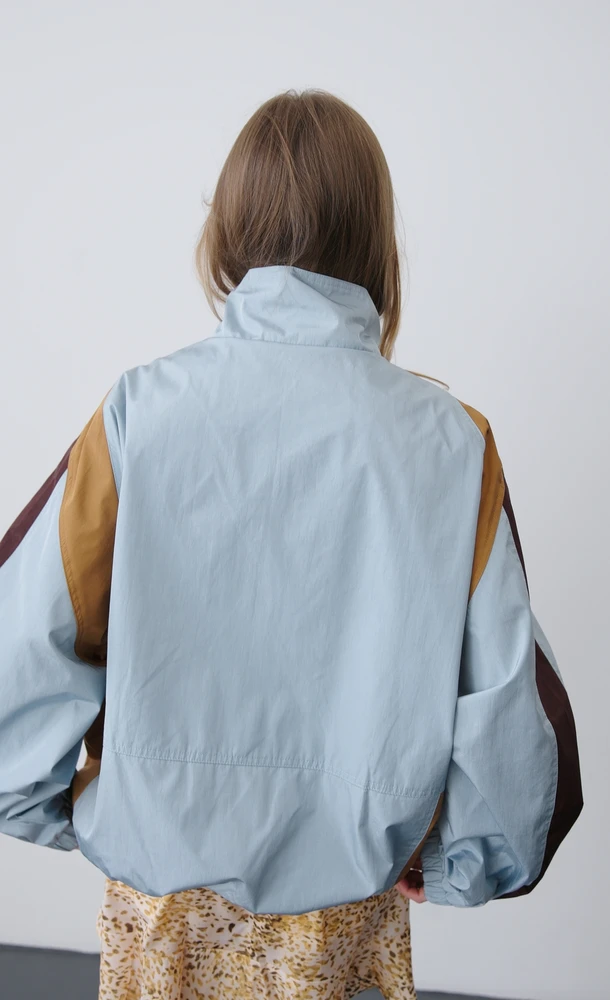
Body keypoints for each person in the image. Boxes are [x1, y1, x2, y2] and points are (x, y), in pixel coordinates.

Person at [0, 88, 582, 1000]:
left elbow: (19, 645)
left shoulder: (138, 416)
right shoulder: (453, 444)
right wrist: (458, 863)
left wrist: (75, 813)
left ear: (226, 235)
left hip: (163, 905)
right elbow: (519, 717)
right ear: (377, 244)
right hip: (348, 905)